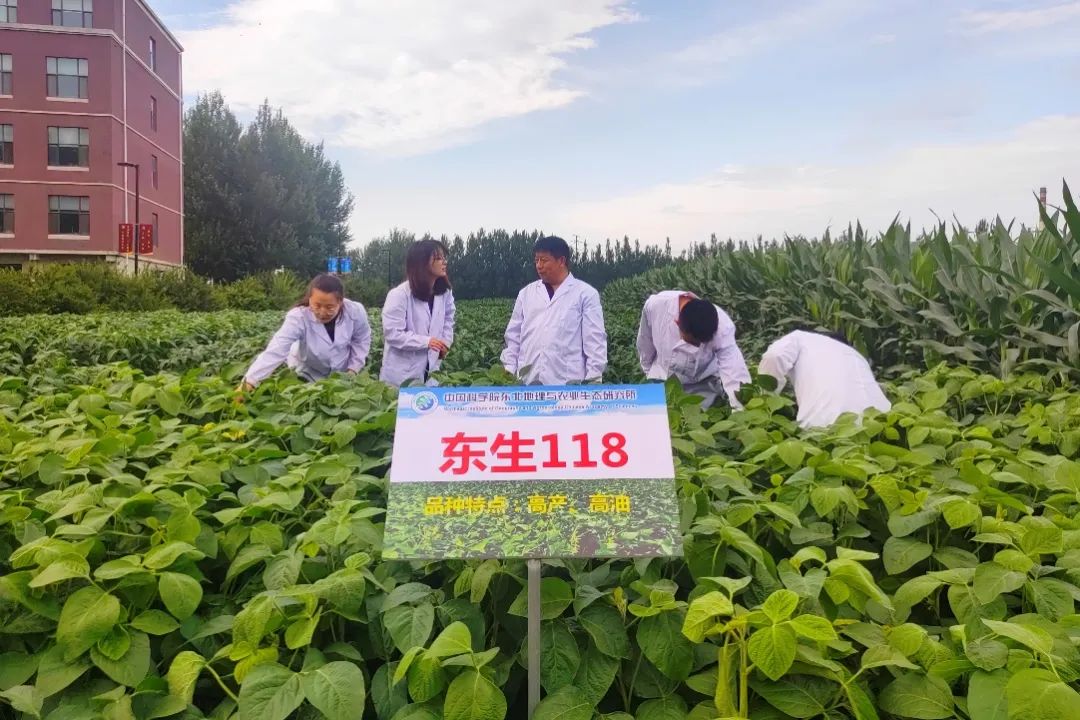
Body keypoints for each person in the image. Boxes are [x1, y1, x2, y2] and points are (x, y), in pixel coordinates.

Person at [501, 235, 607, 385]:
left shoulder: (585, 294)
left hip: (568, 385)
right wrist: (509, 372)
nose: (539, 265)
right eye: (536, 260)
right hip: (527, 383)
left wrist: (593, 381)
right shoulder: (526, 294)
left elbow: (595, 342)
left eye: (544, 260)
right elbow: (513, 337)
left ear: (561, 261)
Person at [239, 273, 371, 390]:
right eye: (317, 305)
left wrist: (353, 369)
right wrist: (249, 383)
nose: (322, 312)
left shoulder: (355, 311)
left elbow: (361, 339)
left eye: (330, 307)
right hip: (306, 373)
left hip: (342, 374)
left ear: (340, 302)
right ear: (309, 299)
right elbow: (276, 350)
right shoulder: (298, 317)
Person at [636, 290, 751, 408]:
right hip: (663, 375)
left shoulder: (723, 327)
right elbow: (645, 341)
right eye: (691, 342)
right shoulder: (656, 306)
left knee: (704, 415)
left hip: (702, 382)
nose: (695, 347)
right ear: (677, 323)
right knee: (663, 416)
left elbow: (733, 372)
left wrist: (739, 407)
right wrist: (648, 370)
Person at [758, 329, 891, 428]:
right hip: (881, 422)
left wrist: (767, 400)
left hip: (825, 425)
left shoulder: (801, 338)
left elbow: (774, 356)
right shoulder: (857, 356)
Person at [380, 239, 456, 387]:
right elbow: (393, 333)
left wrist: (445, 343)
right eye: (438, 258)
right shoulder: (399, 295)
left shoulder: (444, 293)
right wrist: (426, 342)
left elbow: (448, 320)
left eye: (444, 257)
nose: (444, 262)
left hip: (431, 370)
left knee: (428, 398)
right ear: (422, 263)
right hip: (400, 376)